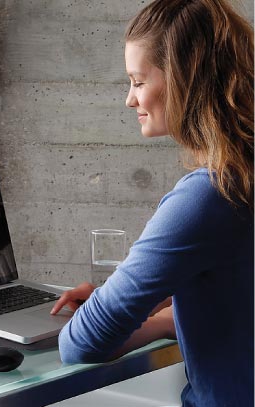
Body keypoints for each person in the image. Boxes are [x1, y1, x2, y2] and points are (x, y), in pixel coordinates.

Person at [50, 0, 254, 405]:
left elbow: (80, 343)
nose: (130, 99)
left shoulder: (209, 195)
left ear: (183, 79)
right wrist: (159, 316)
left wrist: (112, 308)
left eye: (138, 81)